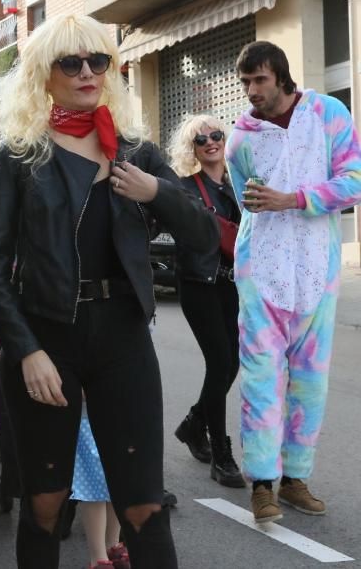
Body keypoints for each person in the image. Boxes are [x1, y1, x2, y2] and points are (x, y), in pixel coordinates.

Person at [0, 13, 218, 569]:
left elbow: (206, 236)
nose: (87, 72)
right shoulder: (22, 154)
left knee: (143, 507)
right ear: (45, 73)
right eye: (71, 62)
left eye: (97, 61)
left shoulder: (134, 150)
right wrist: (26, 349)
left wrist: (156, 190)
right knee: (45, 502)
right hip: (46, 338)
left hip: (121, 336)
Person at [226, 41, 361, 523]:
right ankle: (262, 484)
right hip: (260, 269)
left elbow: (355, 179)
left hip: (317, 270)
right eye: (244, 82)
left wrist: (296, 199)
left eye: (258, 80)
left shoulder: (328, 113)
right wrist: (273, 210)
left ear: (281, 76)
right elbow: (246, 203)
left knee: (310, 382)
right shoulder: (240, 138)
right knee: (261, 380)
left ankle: (297, 478)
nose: (250, 91)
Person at [165, 114, 244, 488]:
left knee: (232, 363)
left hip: (232, 285)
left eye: (216, 135)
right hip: (199, 283)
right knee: (220, 362)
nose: (211, 142)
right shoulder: (184, 188)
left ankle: (194, 425)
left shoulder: (237, 184)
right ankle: (221, 454)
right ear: (192, 149)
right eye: (201, 140)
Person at [72, 402, 130, 569]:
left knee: (103, 483)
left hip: (103, 410)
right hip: (99, 410)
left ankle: (105, 553)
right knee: (102, 482)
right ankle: (105, 555)